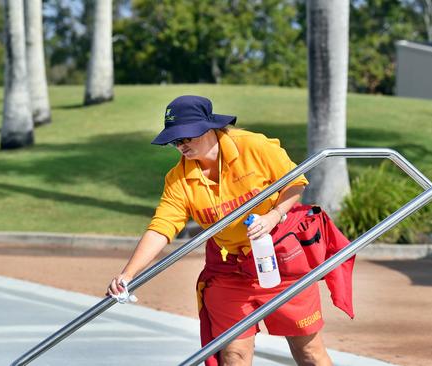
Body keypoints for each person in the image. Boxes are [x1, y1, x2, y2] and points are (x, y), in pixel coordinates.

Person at [107, 95, 353, 366]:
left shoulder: (253, 146)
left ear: (208, 127)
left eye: (186, 137)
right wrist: (127, 275)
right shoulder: (178, 179)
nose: (181, 145)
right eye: (175, 141)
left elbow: (295, 182)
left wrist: (274, 215)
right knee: (234, 356)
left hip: (279, 261)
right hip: (230, 271)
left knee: (309, 352)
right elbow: (162, 227)